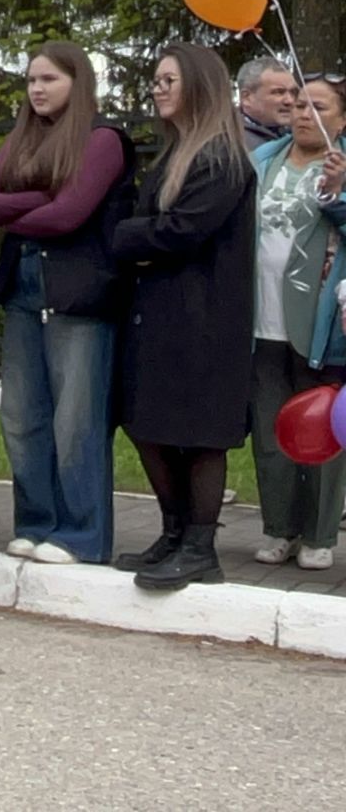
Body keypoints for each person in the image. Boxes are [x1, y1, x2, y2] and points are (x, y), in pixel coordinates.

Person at [0, 43, 134, 565]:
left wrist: (36, 207)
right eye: (31, 80)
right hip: (23, 291)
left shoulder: (103, 138)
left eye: (49, 79)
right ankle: (36, 522)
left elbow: (69, 217)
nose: (37, 89)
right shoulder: (21, 137)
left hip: (79, 296)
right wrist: (42, 200)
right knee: (21, 416)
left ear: (77, 81)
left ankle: (80, 536)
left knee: (76, 420)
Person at [111, 43, 256, 590]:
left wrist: (127, 238)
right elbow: (160, 231)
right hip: (160, 312)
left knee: (198, 434)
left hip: (205, 318)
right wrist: (142, 240)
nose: (158, 87)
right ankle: (173, 533)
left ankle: (200, 546)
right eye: (155, 79)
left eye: (169, 79)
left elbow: (182, 232)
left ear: (199, 85)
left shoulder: (221, 158)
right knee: (146, 423)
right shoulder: (177, 154)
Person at [246, 75, 346, 571]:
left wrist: (337, 193)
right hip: (263, 319)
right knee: (269, 430)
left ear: (342, 119)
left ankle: (320, 532)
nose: (304, 112)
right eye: (299, 104)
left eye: (319, 107)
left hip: (322, 323)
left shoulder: (343, 166)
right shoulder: (264, 160)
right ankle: (278, 527)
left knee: (323, 428)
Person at [237, 57, 298, 152]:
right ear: (247, 97)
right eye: (279, 92)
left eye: (293, 92)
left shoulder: (299, 135)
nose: (290, 101)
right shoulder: (229, 143)